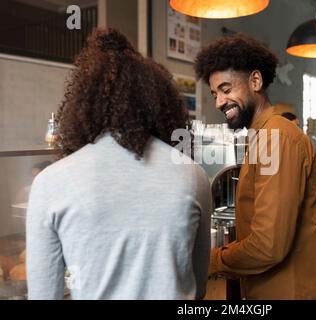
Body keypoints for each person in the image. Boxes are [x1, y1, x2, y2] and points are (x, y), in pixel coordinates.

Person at [26, 28, 211, 300]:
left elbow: (44, 294)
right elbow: (199, 286)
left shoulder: (49, 182)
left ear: (83, 104)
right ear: (160, 104)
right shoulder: (193, 176)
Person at [194, 34, 316, 300]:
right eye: (214, 94)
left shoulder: (276, 138)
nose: (219, 102)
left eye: (226, 89)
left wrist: (211, 260)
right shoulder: (264, 135)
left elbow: (269, 246)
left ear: (255, 81)